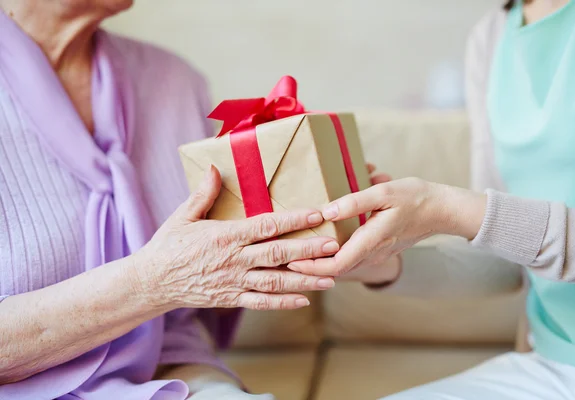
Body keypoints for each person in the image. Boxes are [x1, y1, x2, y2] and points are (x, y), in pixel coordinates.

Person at [0, 1, 400, 398]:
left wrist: (301, 234)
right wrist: (153, 282)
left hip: (175, 369)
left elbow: (207, 300)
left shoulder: (174, 79)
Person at [289, 0, 575, 398]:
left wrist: (448, 209)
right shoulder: (491, 37)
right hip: (554, 367)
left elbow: (477, 219)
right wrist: (377, 262)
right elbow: (503, 261)